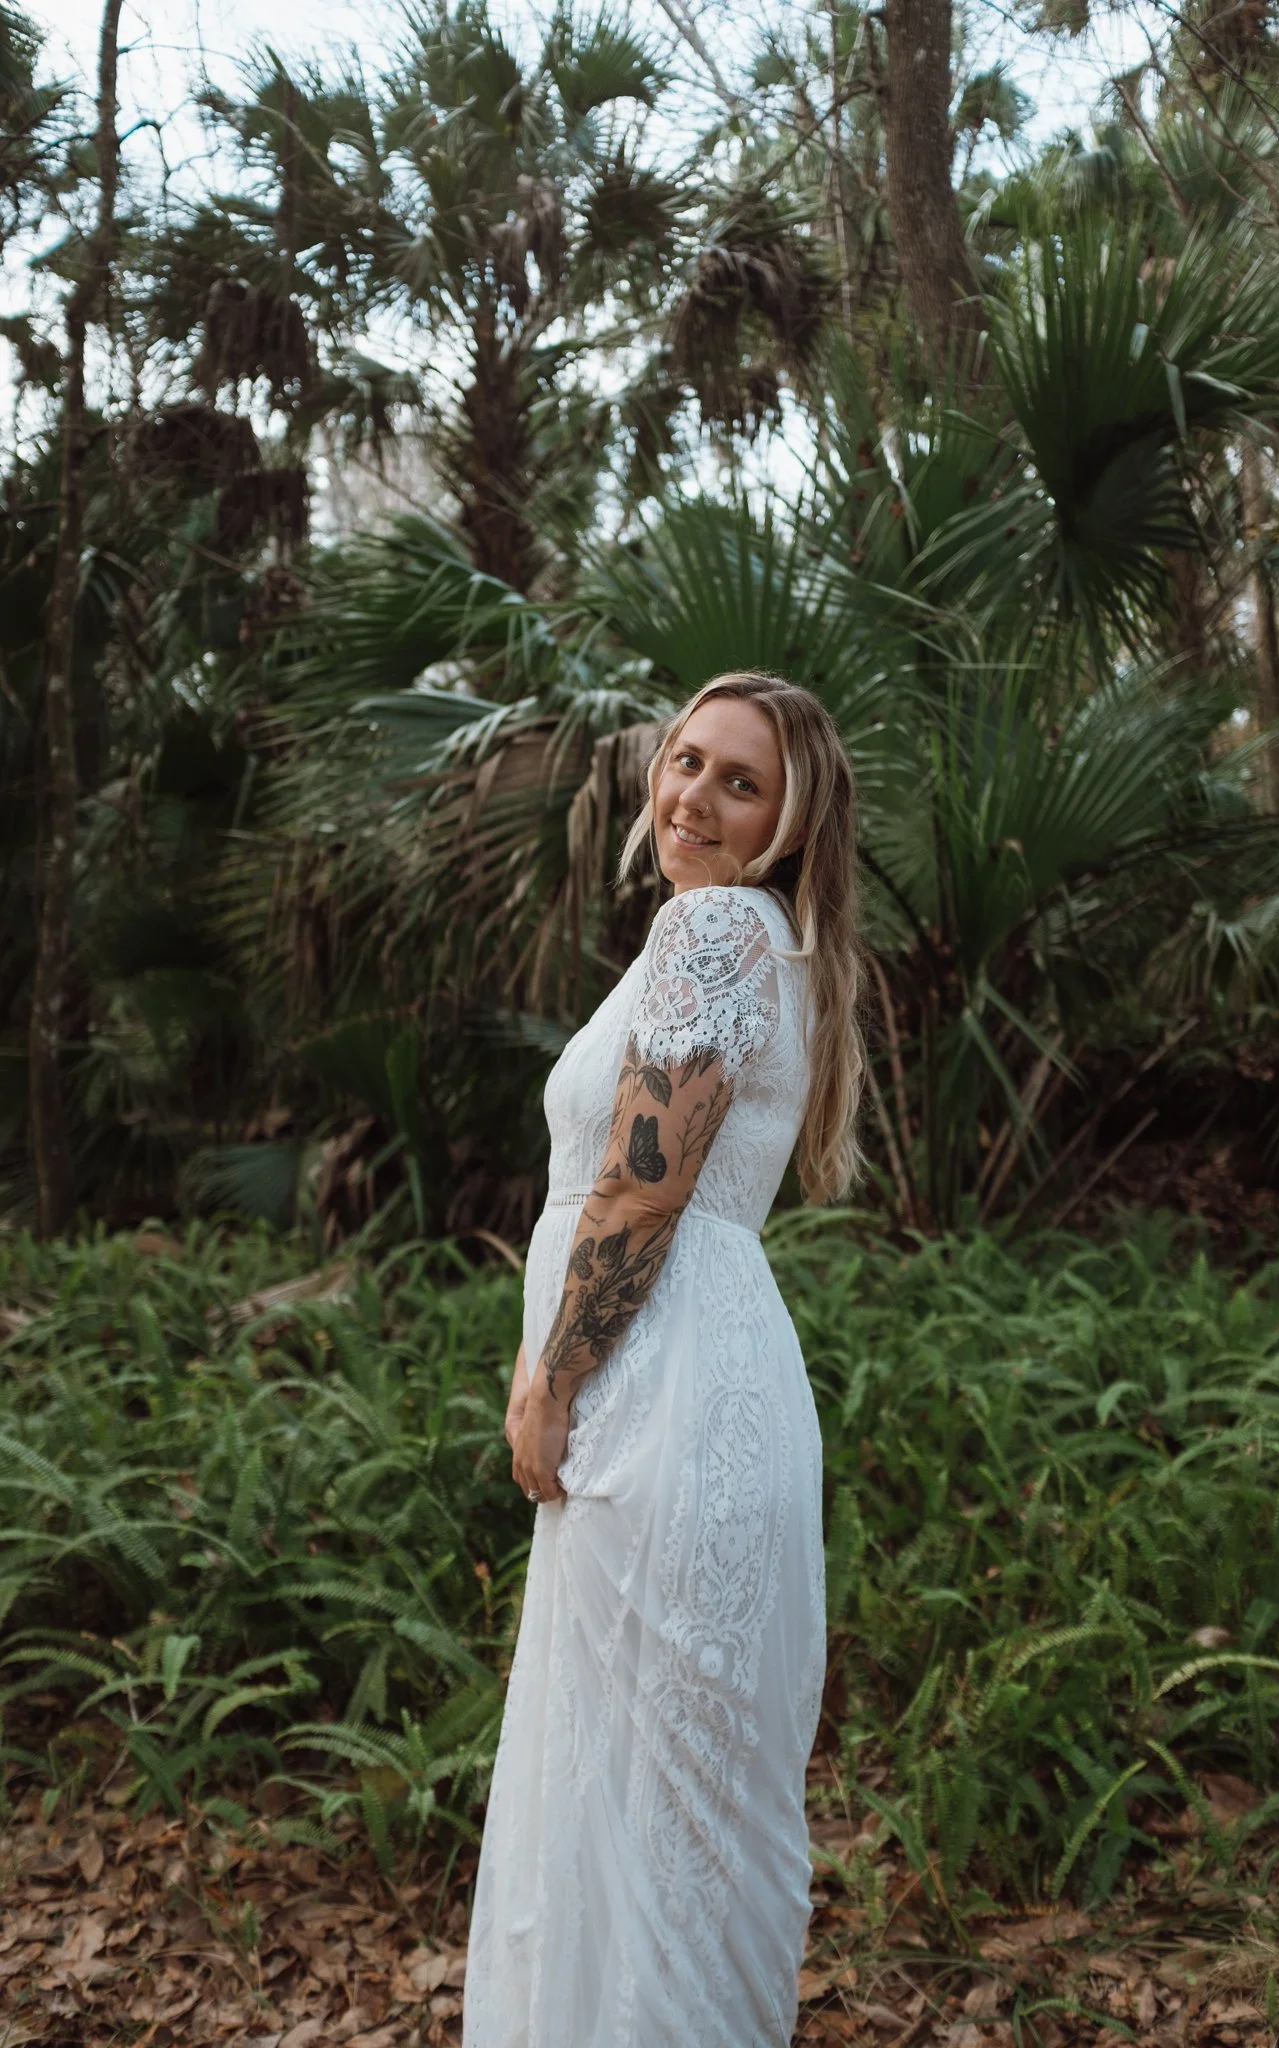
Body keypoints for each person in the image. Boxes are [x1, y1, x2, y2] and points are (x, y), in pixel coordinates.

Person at [463, 671, 867, 2048]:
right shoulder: (766, 943)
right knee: (653, 1814)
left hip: (656, 1392)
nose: (693, 794)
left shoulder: (713, 932)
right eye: (685, 760)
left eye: (739, 780)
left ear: (792, 821)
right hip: (707, 1376)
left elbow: (640, 1192)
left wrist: (551, 1377)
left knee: (637, 1818)